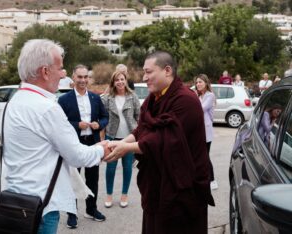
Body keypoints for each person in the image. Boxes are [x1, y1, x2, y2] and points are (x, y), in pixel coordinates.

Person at [1, 39, 110, 234]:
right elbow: (77, 156)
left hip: (15, 201)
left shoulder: (15, 101)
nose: (64, 74)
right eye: (60, 68)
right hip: (40, 208)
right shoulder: (47, 108)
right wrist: (104, 148)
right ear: (45, 71)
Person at [104, 51, 214, 234]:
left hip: (182, 187)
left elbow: (164, 139)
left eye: (148, 72)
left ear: (167, 70)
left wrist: (127, 149)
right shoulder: (153, 98)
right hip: (159, 183)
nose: (144, 77)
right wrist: (121, 142)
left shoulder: (186, 100)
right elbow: (142, 129)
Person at [58, 65, 109, 228]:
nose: (83, 80)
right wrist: (76, 124)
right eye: (79, 77)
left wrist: (98, 124)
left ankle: (91, 209)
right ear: (73, 77)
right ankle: (71, 213)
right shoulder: (64, 100)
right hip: (74, 144)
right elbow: (59, 123)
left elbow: (105, 117)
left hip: (92, 143)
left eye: (86, 77)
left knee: (93, 179)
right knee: (73, 179)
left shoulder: (95, 97)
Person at [101, 71, 140, 208]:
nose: (120, 82)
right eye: (117, 80)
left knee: (127, 167)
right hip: (112, 137)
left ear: (125, 80)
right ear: (113, 82)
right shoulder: (107, 98)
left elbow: (138, 116)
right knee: (110, 168)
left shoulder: (132, 96)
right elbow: (103, 117)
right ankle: (109, 195)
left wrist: (138, 134)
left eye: (122, 79)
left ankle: (124, 195)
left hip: (128, 139)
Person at [194, 74, 218, 190]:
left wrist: (192, 100)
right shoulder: (198, 95)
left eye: (200, 82)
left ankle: (212, 180)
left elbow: (200, 109)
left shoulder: (210, 95)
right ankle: (201, 178)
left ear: (206, 83)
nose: (198, 84)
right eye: (197, 82)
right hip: (197, 130)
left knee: (205, 156)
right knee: (198, 155)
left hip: (206, 130)